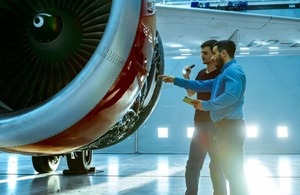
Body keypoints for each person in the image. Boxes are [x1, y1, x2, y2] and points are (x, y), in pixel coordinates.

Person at [160, 40, 249, 195]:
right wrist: (175, 80)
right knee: (230, 171)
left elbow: (231, 96)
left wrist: (206, 105)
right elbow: (201, 85)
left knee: (232, 172)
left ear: (223, 53)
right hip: (223, 127)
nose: (213, 58)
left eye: (214, 53)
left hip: (231, 127)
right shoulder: (225, 73)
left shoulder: (233, 71)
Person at [182, 40, 227, 195]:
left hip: (215, 126)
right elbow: (190, 93)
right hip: (199, 125)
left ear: (214, 54)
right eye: (201, 52)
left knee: (216, 165)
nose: (202, 56)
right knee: (192, 165)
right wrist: (187, 77)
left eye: (205, 53)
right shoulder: (201, 73)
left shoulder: (221, 75)